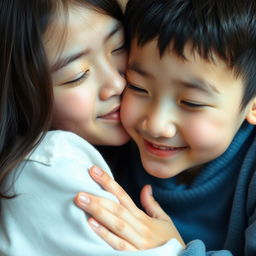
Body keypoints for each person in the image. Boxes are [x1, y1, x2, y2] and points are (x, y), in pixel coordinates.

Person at [0, 0, 183, 255]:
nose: (117, 84)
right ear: (20, 95)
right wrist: (178, 249)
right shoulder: (50, 164)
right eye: (77, 75)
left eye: (119, 47)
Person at [76, 0, 256, 255]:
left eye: (191, 103)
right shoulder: (109, 144)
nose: (157, 125)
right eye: (138, 87)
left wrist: (173, 250)